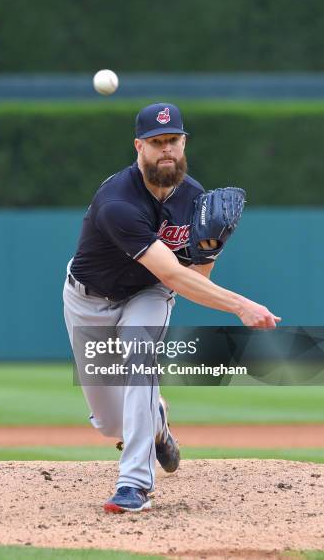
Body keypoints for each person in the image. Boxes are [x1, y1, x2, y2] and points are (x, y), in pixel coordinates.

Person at [63, 102, 280, 514]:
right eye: (157, 142)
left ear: (184, 143)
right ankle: (157, 420)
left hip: (149, 293)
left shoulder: (194, 197)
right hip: (88, 300)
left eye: (173, 141)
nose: (167, 150)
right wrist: (241, 306)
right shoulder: (118, 201)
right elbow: (178, 276)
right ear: (138, 147)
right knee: (111, 423)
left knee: (140, 357)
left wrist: (209, 248)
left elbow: (192, 278)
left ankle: (133, 485)